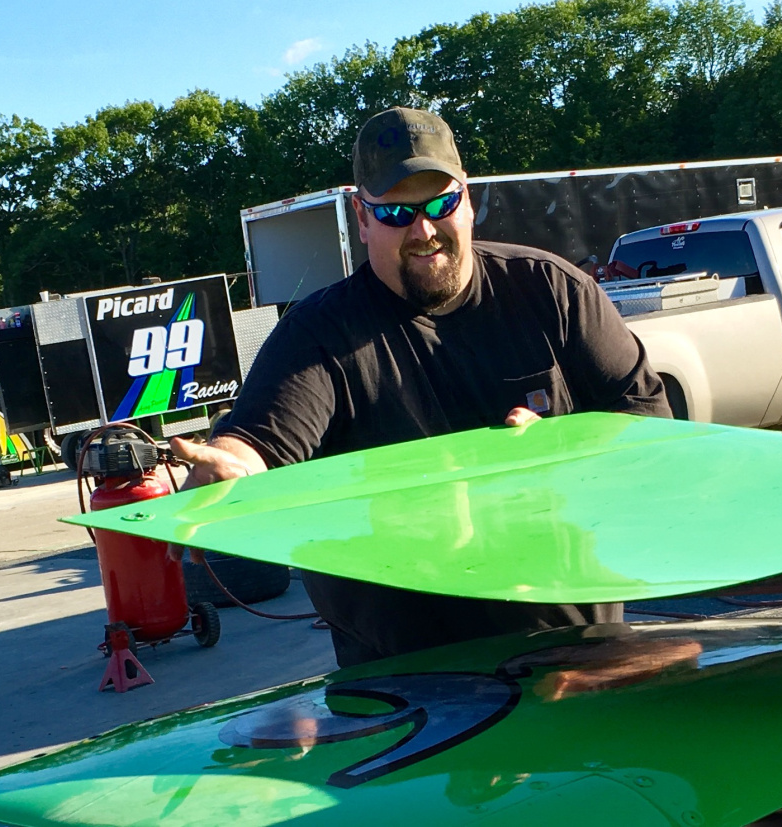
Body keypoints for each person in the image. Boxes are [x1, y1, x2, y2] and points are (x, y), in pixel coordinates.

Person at [171, 106, 673, 668]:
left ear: (469, 199)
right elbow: (264, 437)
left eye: (441, 204)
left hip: (575, 651)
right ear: (362, 219)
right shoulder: (319, 334)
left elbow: (649, 425)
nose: (423, 230)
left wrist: (568, 447)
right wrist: (231, 464)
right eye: (395, 212)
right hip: (409, 682)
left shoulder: (551, 291)